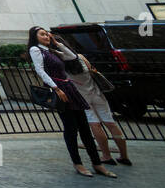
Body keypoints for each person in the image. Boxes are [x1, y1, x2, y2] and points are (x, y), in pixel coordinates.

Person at [29, 26, 117, 179]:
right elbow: (40, 70)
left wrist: (57, 43)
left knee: (84, 127)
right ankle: (78, 163)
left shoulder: (52, 51)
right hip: (60, 89)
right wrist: (56, 88)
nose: (46, 36)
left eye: (47, 34)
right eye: (42, 34)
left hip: (69, 88)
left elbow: (72, 57)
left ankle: (97, 164)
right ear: (34, 37)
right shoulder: (36, 50)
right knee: (71, 128)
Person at [66, 48, 131, 167]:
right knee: (111, 123)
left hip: (82, 97)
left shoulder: (62, 62)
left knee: (95, 124)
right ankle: (124, 155)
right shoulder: (80, 56)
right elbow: (91, 70)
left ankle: (106, 155)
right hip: (97, 93)